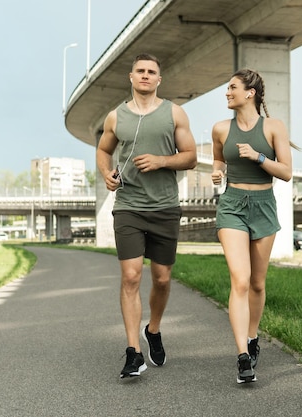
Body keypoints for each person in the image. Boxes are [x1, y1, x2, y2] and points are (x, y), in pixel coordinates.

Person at [96, 53, 197, 379]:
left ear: (158, 79)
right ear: (131, 76)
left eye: (151, 71)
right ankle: (133, 352)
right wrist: (105, 175)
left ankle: (152, 329)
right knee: (131, 277)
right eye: (140, 70)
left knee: (163, 278)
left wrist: (161, 161)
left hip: (165, 207)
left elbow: (191, 157)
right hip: (128, 207)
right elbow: (103, 150)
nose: (145, 75)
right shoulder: (116, 117)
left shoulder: (174, 113)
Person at [210, 68, 295, 384]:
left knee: (258, 282)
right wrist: (217, 173)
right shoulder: (220, 129)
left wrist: (259, 156)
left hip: (263, 206)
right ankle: (243, 354)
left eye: (232, 87)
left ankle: (253, 335)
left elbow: (286, 172)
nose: (227, 92)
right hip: (232, 206)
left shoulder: (273, 127)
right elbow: (219, 160)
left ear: (251, 92)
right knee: (240, 280)